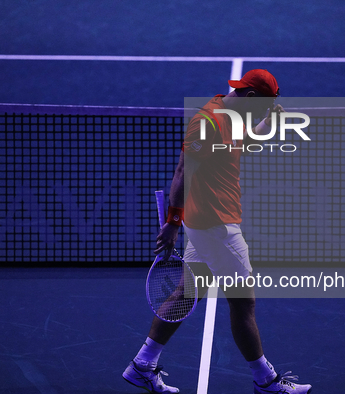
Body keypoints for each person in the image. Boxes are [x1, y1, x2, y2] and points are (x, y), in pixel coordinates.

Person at [123, 69, 312, 394]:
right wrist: (172, 222)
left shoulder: (232, 114)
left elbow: (245, 143)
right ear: (251, 98)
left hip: (207, 225)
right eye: (264, 107)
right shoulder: (208, 122)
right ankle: (265, 381)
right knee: (243, 305)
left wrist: (270, 125)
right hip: (216, 228)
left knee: (185, 293)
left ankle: (142, 364)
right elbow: (183, 171)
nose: (264, 112)